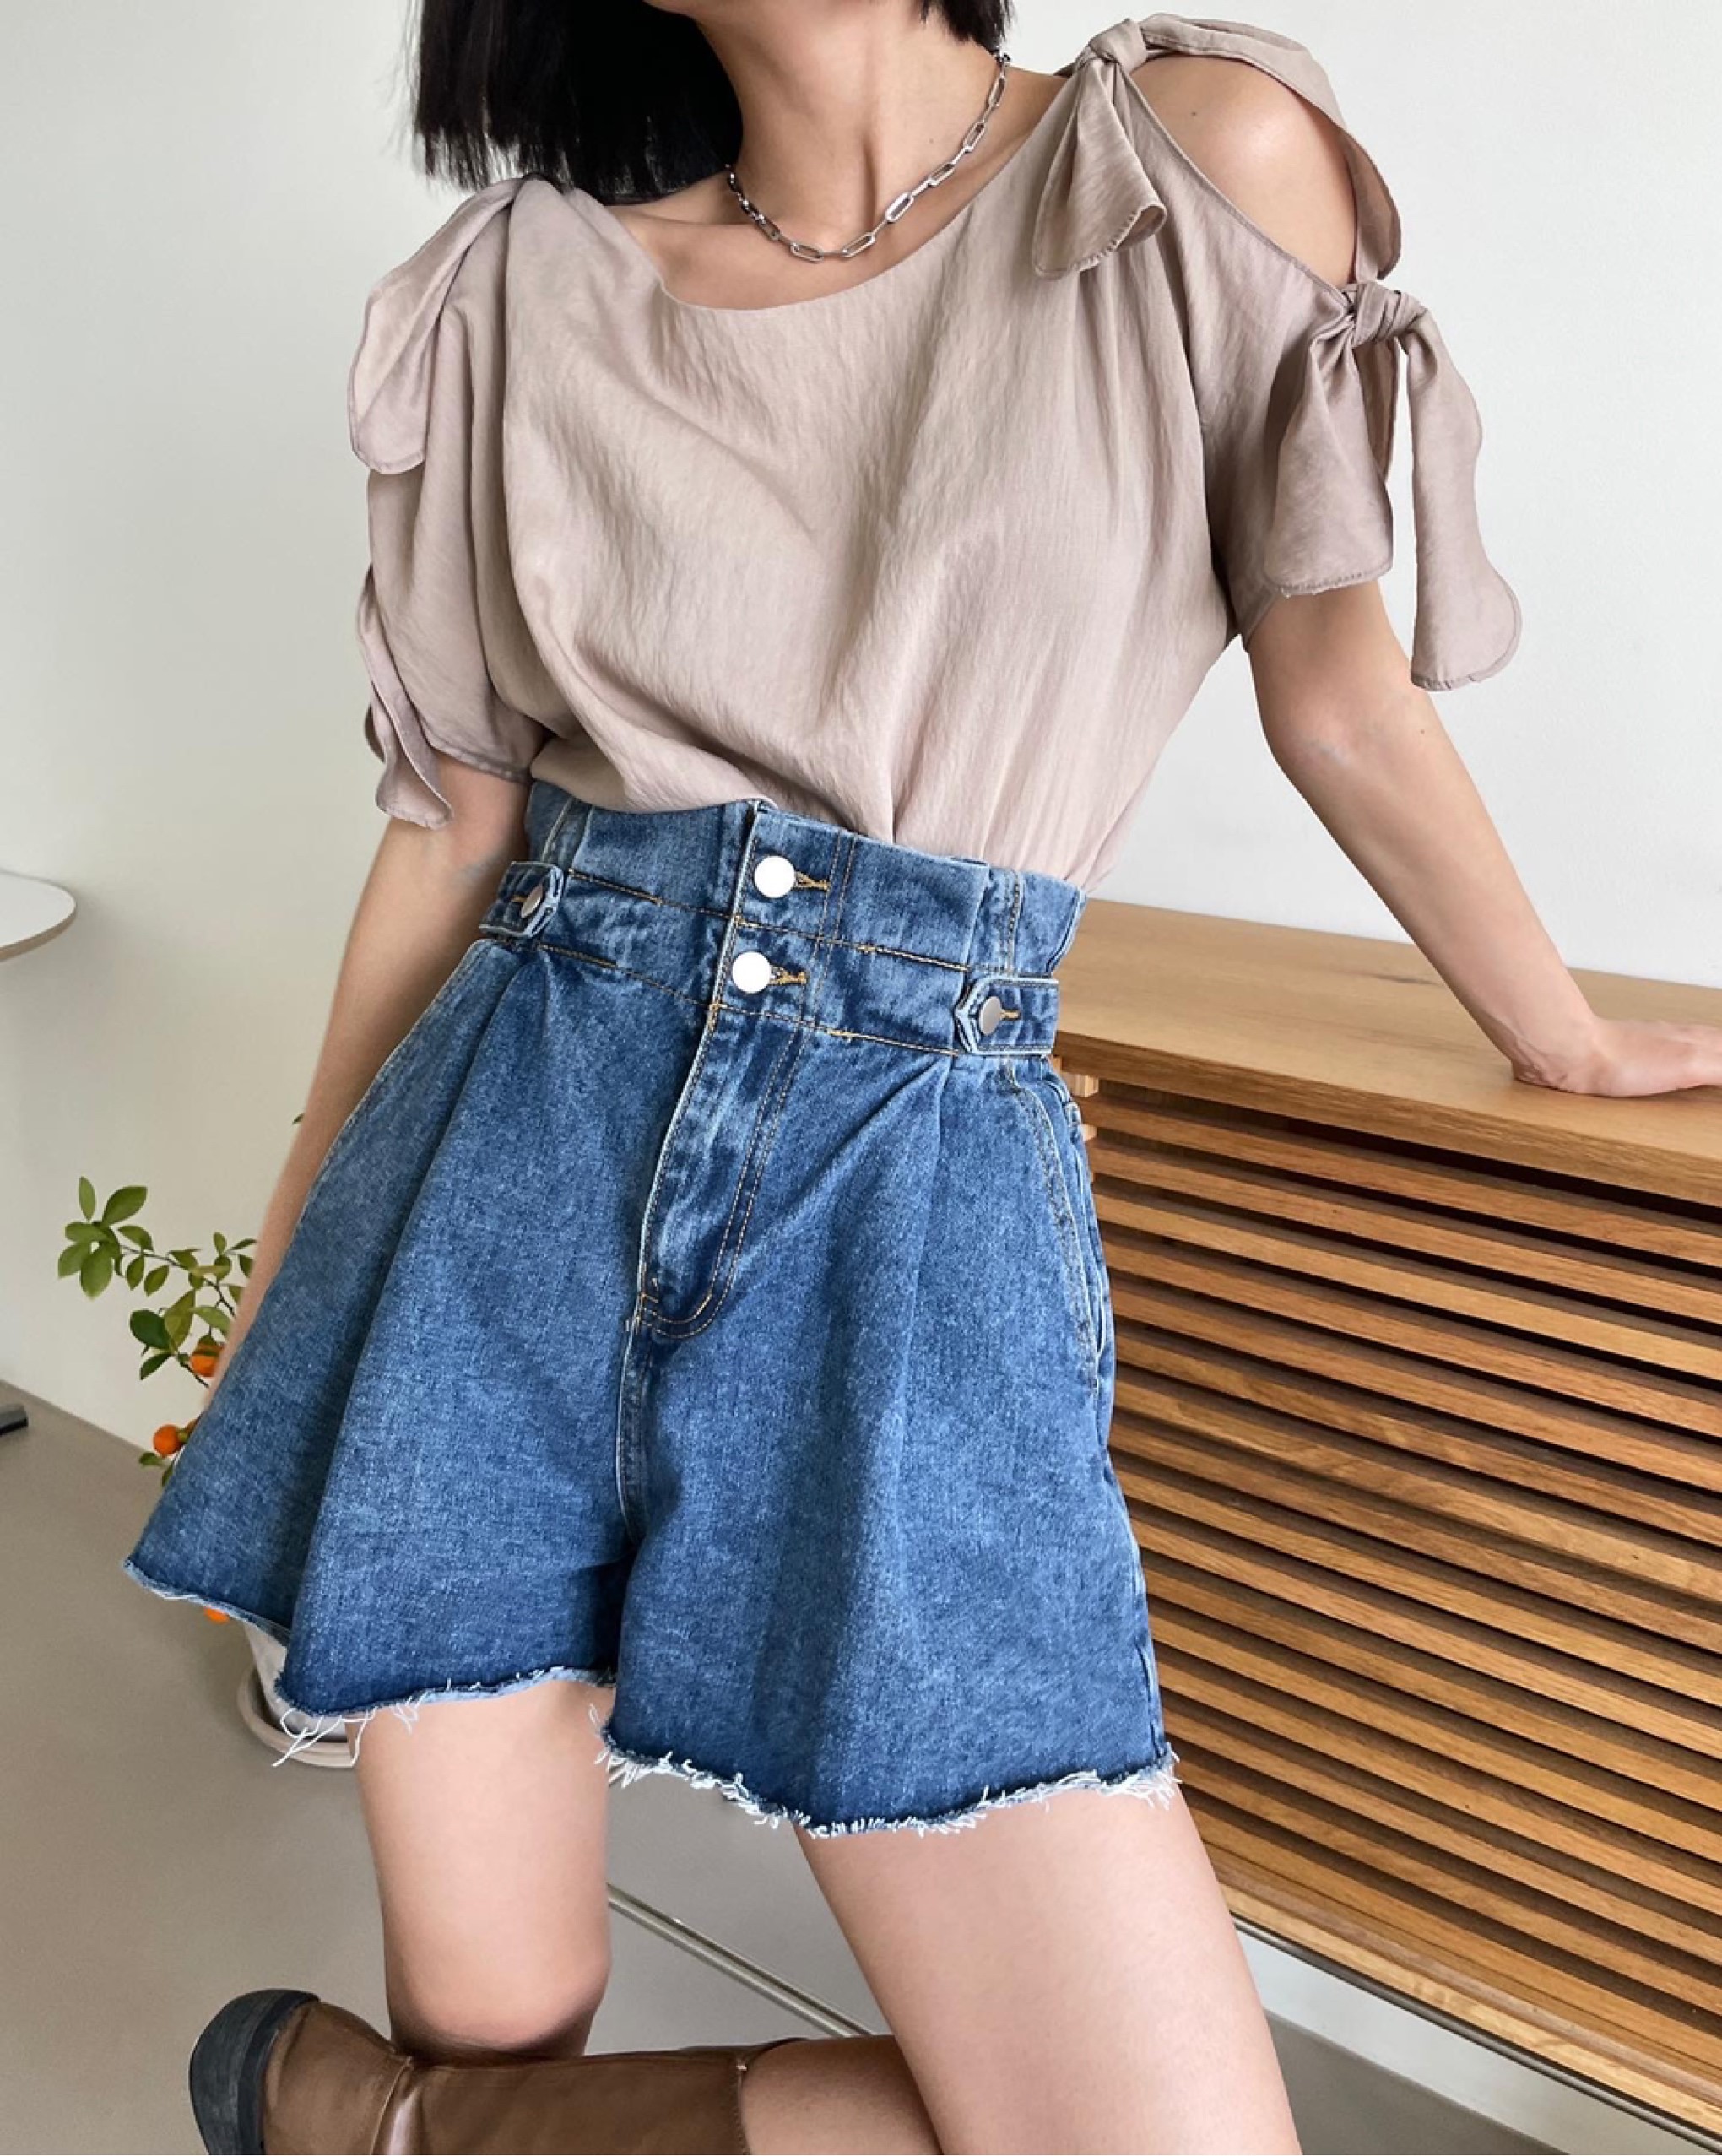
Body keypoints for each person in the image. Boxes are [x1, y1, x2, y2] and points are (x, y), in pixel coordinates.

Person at [124, 3, 1722, 2152]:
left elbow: (1338, 695)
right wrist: (289, 1252)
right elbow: (449, 834)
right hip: (508, 1156)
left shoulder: (1190, 163)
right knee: (501, 2001)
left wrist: (1562, 1028)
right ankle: (443, 2108)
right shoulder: (523, 289)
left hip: (909, 1185)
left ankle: (386, 2127)